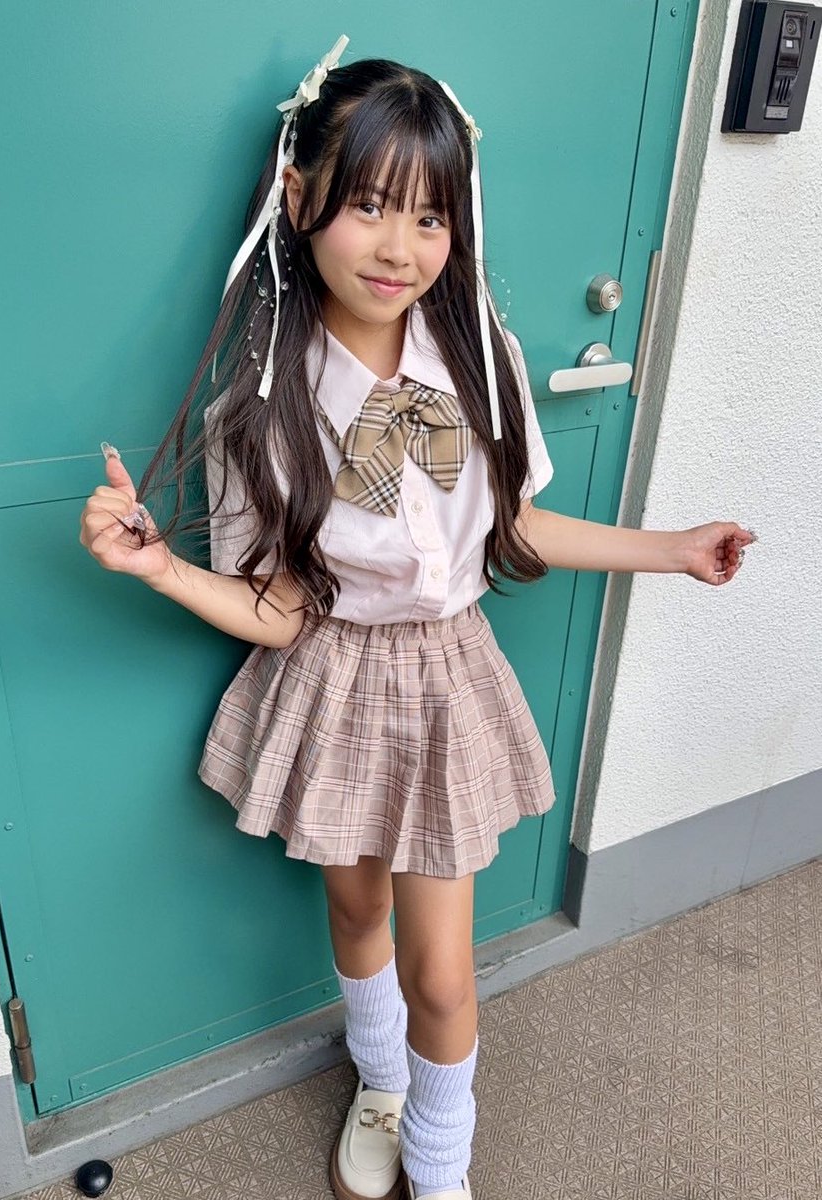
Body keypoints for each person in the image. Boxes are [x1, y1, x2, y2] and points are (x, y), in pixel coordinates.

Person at [79, 36, 755, 1200]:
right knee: (354, 913)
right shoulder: (264, 405)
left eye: (430, 216)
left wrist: (674, 549)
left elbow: (513, 530)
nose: (401, 247)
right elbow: (280, 610)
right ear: (299, 198)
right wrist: (160, 572)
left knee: (443, 969)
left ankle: (441, 1171)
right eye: (371, 206)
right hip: (331, 679)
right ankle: (381, 1081)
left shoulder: (477, 356)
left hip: (446, 682)